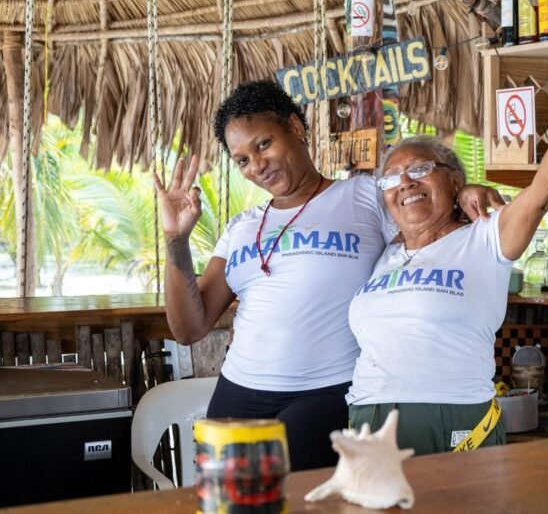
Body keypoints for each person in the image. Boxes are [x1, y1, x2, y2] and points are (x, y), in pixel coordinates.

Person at [153, 79, 503, 471]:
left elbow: (425, 209)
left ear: (296, 128)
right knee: (227, 502)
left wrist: (467, 190)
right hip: (240, 392)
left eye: (263, 144)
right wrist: (175, 239)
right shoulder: (242, 227)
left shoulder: (364, 197)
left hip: (324, 393)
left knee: (301, 498)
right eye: (242, 160)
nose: (257, 165)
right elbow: (188, 328)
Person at [347, 43, 548, 455]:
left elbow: (541, 194)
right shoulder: (383, 251)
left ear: (453, 182)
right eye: (392, 179)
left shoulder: (485, 237)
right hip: (369, 417)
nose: (405, 184)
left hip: (452, 417)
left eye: (420, 170)